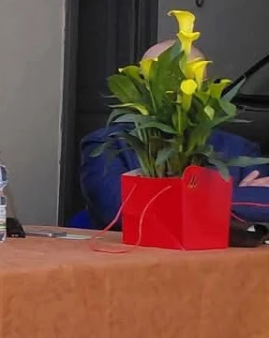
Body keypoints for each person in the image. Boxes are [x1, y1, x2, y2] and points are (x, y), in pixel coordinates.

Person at [79, 38, 269, 227]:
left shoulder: (240, 149)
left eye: (185, 80)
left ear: (204, 87)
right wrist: (232, 199)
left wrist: (162, 202)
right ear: (139, 86)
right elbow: (119, 213)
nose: (170, 91)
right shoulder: (108, 144)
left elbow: (263, 209)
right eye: (156, 79)